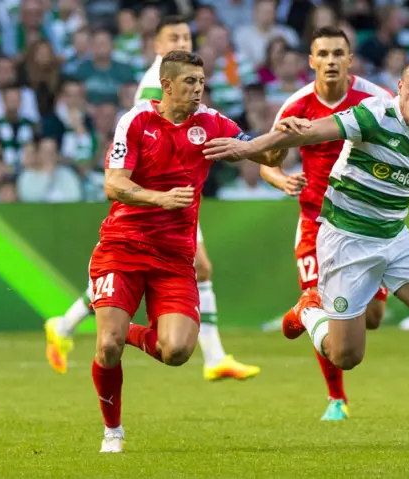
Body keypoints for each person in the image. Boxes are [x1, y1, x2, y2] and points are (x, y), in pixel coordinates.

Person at [204, 57, 409, 445]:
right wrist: (245, 148)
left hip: (395, 239)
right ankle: (308, 310)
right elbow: (306, 133)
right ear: (399, 87)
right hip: (346, 242)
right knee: (345, 356)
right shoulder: (372, 116)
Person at [44, 16, 260, 381]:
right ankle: (213, 355)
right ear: (158, 49)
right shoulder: (154, 89)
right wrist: (161, 195)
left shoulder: (193, 88)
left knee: (187, 270)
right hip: (156, 193)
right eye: (174, 37)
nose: (184, 41)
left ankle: (67, 324)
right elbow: (155, 133)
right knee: (196, 266)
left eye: (187, 36)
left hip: (177, 196)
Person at [91, 51, 276, 453]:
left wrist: (277, 140)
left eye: (201, 82)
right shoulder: (137, 120)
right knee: (108, 346)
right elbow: (113, 184)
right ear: (168, 85)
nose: (197, 89)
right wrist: (160, 199)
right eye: (189, 82)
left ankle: (122, 330)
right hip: (123, 246)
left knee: (176, 352)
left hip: (174, 258)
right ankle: (113, 431)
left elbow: (266, 153)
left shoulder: (211, 123)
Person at [260, 26, 393, 421]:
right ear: (311, 61)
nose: (332, 60)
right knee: (332, 313)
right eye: (324, 53)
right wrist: (281, 179)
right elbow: (268, 160)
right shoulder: (297, 106)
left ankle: (304, 311)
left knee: (371, 318)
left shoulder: (376, 99)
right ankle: (336, 398)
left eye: (339, 53)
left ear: (351, 60)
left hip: (365, 223)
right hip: (315, 223)